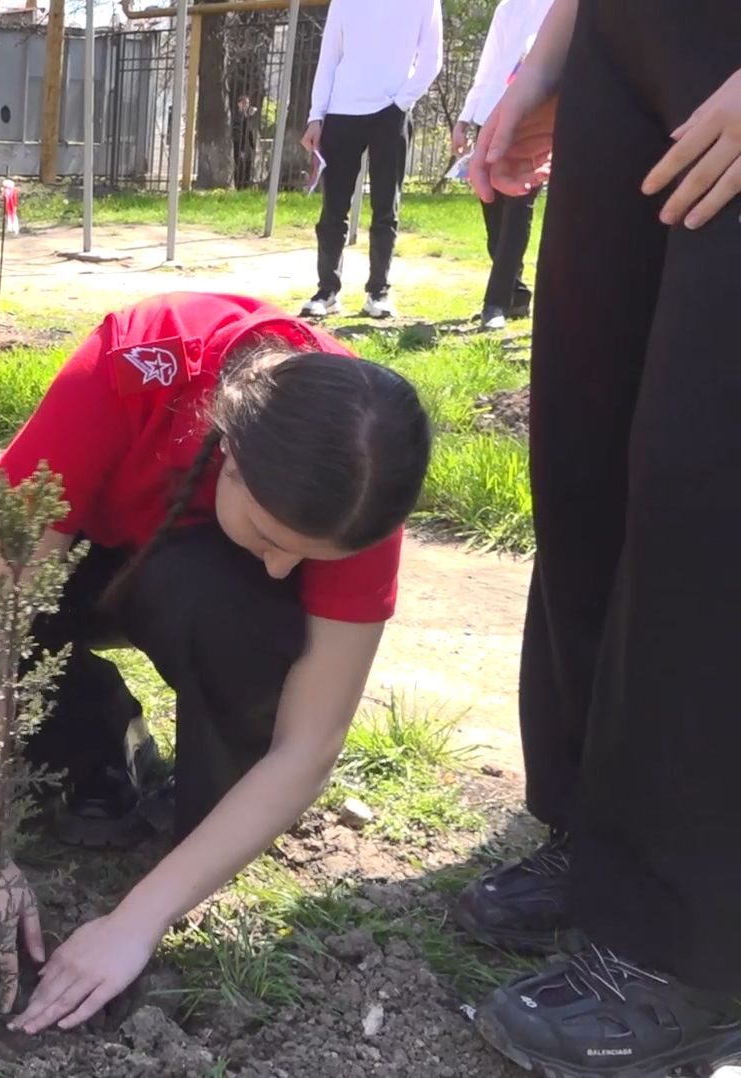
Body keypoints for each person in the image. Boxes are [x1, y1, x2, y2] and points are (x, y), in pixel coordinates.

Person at [0, 291, 432, 1029]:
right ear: (226, 453)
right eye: (269, 535)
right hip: (87, 557)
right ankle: (92, 747)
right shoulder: (138, 360)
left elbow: (308, 745)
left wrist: (140, 920)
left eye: (310, 556)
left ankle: (199, 821)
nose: (286, 570)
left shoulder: (361, 476)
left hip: (196, 589)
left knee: (241, 605)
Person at [456, 2, 741, 1073]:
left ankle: (693, 944)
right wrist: (550, 56)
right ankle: (602, 835)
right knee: (589, 451)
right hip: (629, 42)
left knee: (707, 480)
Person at [297, 0, 444, 321]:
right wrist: (315, 116)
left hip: (390, 113)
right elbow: (329, 59)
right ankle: (327, 290)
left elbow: (432, 59)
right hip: (341, 112)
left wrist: (401, 103)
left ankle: (378, 291)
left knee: (385, 207)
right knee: (333, 208)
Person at [453, 0, 555, 331]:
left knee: (517, 213)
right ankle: (517, 294)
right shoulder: (509, 7)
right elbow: (489, 66)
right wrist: (466, 117)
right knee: (493, 213)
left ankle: (494, 303)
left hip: (533, 117)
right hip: (490, 116)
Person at [231, 94, 261, 190]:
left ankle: (245, 187)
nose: (246, 105)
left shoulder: (246, 116)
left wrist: (252, 146)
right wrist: (241, 149)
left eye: (247, 103)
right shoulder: (237, 116)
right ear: (239, 104)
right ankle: (239, 186)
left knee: (247, 167)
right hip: (239, 146)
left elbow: (250, 131)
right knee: (240, 167)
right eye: (244, 103)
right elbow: (238, 132)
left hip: (247, 146)